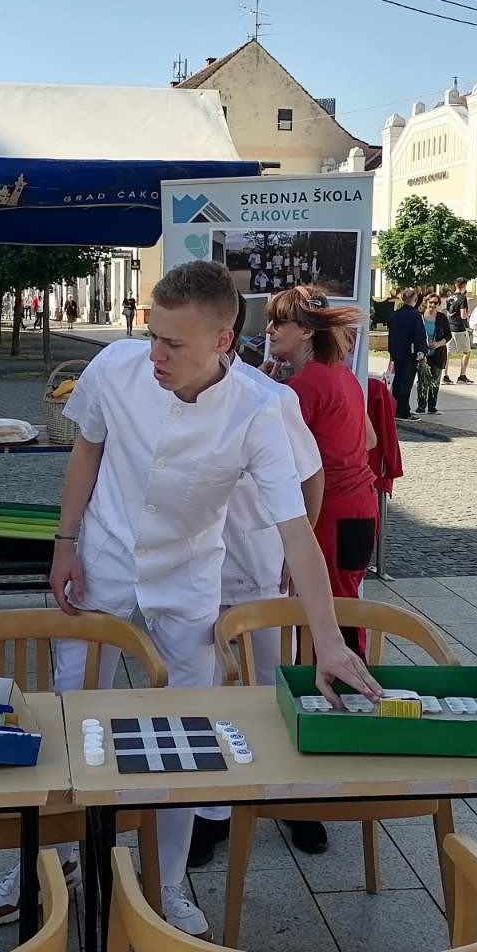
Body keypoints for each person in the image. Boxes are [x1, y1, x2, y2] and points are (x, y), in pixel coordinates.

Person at [35, 261, 378, 937]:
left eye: (174, 344)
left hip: (189, 571)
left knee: (186, 734)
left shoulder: (260, 409)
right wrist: (64, 541)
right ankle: (55, 856)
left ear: (223, 341)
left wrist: (330, 642)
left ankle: (167, 882)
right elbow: (86, 451)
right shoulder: (114, 370)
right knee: (72, 701)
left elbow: (299, 532)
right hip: (104, 554)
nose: (154, 354)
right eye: (152, 334)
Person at [189, 294, 325, 867]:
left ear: (223, 336)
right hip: (192, 571)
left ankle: (290, 797)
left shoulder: (272, 398)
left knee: (273, 682)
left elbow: (311, 477)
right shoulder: (168, 396)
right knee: (205, 687)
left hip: (257, 562)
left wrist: (299, 552)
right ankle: (209, 810)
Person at [266, 284, 377, 615]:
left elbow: (292, 469)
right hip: (360, 509)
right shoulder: (339, 372)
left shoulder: (304, 386)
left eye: (279, 321)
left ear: (305, 330)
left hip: (331, 516)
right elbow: (369, 439)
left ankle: (347, 670)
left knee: (326, 617)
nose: (269, 329)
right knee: (344, 611)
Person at [386, 288, 428, 420]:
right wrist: (422, 352)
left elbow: (391, 335)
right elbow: (419, 335)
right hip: (411, 353)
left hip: (397, 352)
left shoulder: (394, 315)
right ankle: (404, 411)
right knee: (407, 381)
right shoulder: (416, 315)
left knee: (397, 381)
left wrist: (391, 352)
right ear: (415, 300)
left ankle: (395, 409)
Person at [417, 295, 451, 414]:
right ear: (426, 302)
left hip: (438, 353)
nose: (433, 305)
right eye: (431, 302)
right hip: (423, 353)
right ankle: (421, 406)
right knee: (422, 380)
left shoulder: (441, 318)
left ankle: (432, 406)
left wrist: (437, 344)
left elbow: (448, 335)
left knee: (435, 380)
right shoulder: (419, 317)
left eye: (436, 303)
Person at [444, 278, 473, 384]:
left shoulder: (449, 298)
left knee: (448, 352)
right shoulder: (462, 298)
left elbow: (448, 312)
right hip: (459, 328)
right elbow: (463, 315)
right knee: (467, 351)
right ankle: (462, 375)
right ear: (464, 285)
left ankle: (444, 375)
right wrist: (468, 313)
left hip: (449, 327)